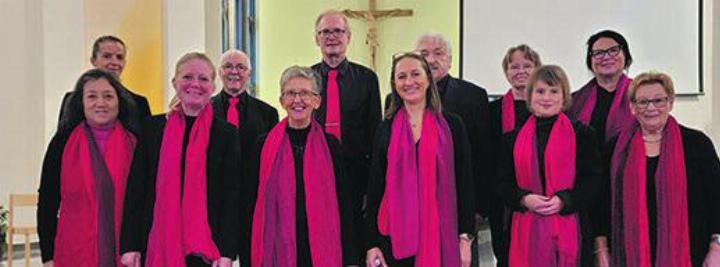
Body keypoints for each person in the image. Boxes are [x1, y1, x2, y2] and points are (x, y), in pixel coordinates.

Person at [119, 52, 241, 267]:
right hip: (157, 244)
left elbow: (231, 197)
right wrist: (130, 245)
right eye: (187, 77)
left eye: (203, 79)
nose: (195, 84)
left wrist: (227, 252)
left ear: (213, 87)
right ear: (175, 82)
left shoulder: (226, 134)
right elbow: (136, 190)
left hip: (206, 251)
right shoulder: (152, 129)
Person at [594, 72, 720, 267]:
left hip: (692, 253)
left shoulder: (696, 143)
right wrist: (601, 250)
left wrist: (716, 248)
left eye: (658, 100)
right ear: (632, 107)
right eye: (642, 102)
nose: (651, 108)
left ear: (670, 103)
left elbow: (716, 199)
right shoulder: (615, 148)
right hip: (628, 255)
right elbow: (601, 204)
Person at [365, 52, 475, 267]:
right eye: (402, 76)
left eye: (415, 74)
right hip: (393, 237)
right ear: (394, 83)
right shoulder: (385, 128)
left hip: (442, 235)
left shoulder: (453, 125)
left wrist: (465, 238)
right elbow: (375, 188)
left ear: (428, 79)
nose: (409, 82)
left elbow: (465, 183)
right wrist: (371, 244)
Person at [248, 66, 357, 267]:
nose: (298, 100)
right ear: (281, 100)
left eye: (305, 93)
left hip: (319, 246)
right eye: (291, 93)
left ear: (317, 101)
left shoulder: (331, 145)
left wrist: (351, 258)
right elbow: (252, 202)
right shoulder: (263, 145)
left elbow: (344, 203)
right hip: (277, 246)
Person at [495, 65, 602, 266]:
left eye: (554, 91)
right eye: (540, 91)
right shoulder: (512, 139)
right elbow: (501, 184)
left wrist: (565, 200)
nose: (547, 97)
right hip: (524, 232)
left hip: (573, 229)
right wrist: (524, 199)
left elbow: (594, 181)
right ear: (530, 95)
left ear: (564, 97)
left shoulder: (583, 134)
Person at [38, 69, 140, 267]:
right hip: (74, 250)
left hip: (127, 252)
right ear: (81, 103)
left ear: (119, 101)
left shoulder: (136, 143)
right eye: (92, 96)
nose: (100, 103)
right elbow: (47, 201)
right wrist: (48, 256)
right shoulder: (62, 143)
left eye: (108, 96)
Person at [312, 9, 382, 262]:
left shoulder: (367, 79)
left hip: (356, 177)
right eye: (325, 32)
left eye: (338, 31)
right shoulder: (305, 79)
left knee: (352, 246)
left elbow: (376, 136)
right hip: (315, 174)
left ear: (349, 37)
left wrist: (372, 187)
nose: (332, 37)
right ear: (316, 38)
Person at [209, 49, 278, 266]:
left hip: (253, 199)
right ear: (220, 72)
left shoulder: (268, 113)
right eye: (228, 66)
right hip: (215, 200)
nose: (234, 72)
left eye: (241, 67)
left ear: (249, 73)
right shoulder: (205, 110)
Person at [487, 44, 542, 267]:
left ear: (537, 69)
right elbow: (488, 156)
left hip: (542, 200)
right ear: (506, 72)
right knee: (506, 256)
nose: (520, 71)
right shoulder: (492, 111)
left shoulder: (548, 108)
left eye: (527, 65)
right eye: (514, 66)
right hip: (503, 202)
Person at [58, 35, 151, 125]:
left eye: (119, 57)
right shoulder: (72, 99)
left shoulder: (139, 103)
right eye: (107, 56)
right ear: (93, 60)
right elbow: (63, 137)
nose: (114, 62)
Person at [568, 30, 634, 143]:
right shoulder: (574, 101)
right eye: (598, 53)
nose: (606, 57)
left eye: (614, 50)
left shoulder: (641, 94)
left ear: (626, 56)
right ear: (590, 61)